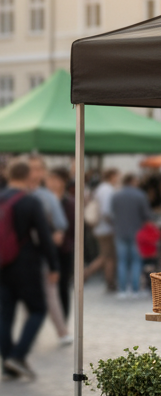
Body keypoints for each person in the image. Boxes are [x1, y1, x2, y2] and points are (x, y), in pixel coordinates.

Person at [1, 160, 58, 380]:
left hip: (3, 264)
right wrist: (53, 265)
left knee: (5, 315)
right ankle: (17, 355)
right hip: (26, 265)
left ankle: (8, 364)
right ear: (27, 176)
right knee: (38, 310)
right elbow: (44, 237)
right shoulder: (30, 201)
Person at [29, 156, 70, 344]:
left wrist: (51, 235)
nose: (34, 173)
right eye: (31, 168)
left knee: (52, 294)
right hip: (18, 257)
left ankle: (62, 331)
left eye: (38, 169)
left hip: (43, 254)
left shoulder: (46, 197)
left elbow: (61, 226)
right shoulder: (13, 194)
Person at [111, 174, 152, 298]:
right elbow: (146, 215)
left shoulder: (116, 196)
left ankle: (123, 289)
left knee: (122, 261)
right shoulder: (140, 195)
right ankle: (135, 289)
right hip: (137, 232)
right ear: (133, 181)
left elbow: (112, 213)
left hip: (120, 231)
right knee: (136, 261)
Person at [46, 168, 75, 340]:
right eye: (50, 179)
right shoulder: (42, 199)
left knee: (63, 286)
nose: (52, 183)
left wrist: (65, 241)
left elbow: (72, 227)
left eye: (56, 180)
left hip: (63, 250)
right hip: (45, 249)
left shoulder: (69, 202)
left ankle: (62, 323)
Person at [85, 168, 119, 291]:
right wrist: (115, 225)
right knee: (107, 256)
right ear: (112, 176)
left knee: (106, 256)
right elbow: (106, 211)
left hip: (101, 228)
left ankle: (108, 281)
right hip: (105, 228)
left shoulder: (101, 188)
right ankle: (87, 275)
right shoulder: (107, 190)